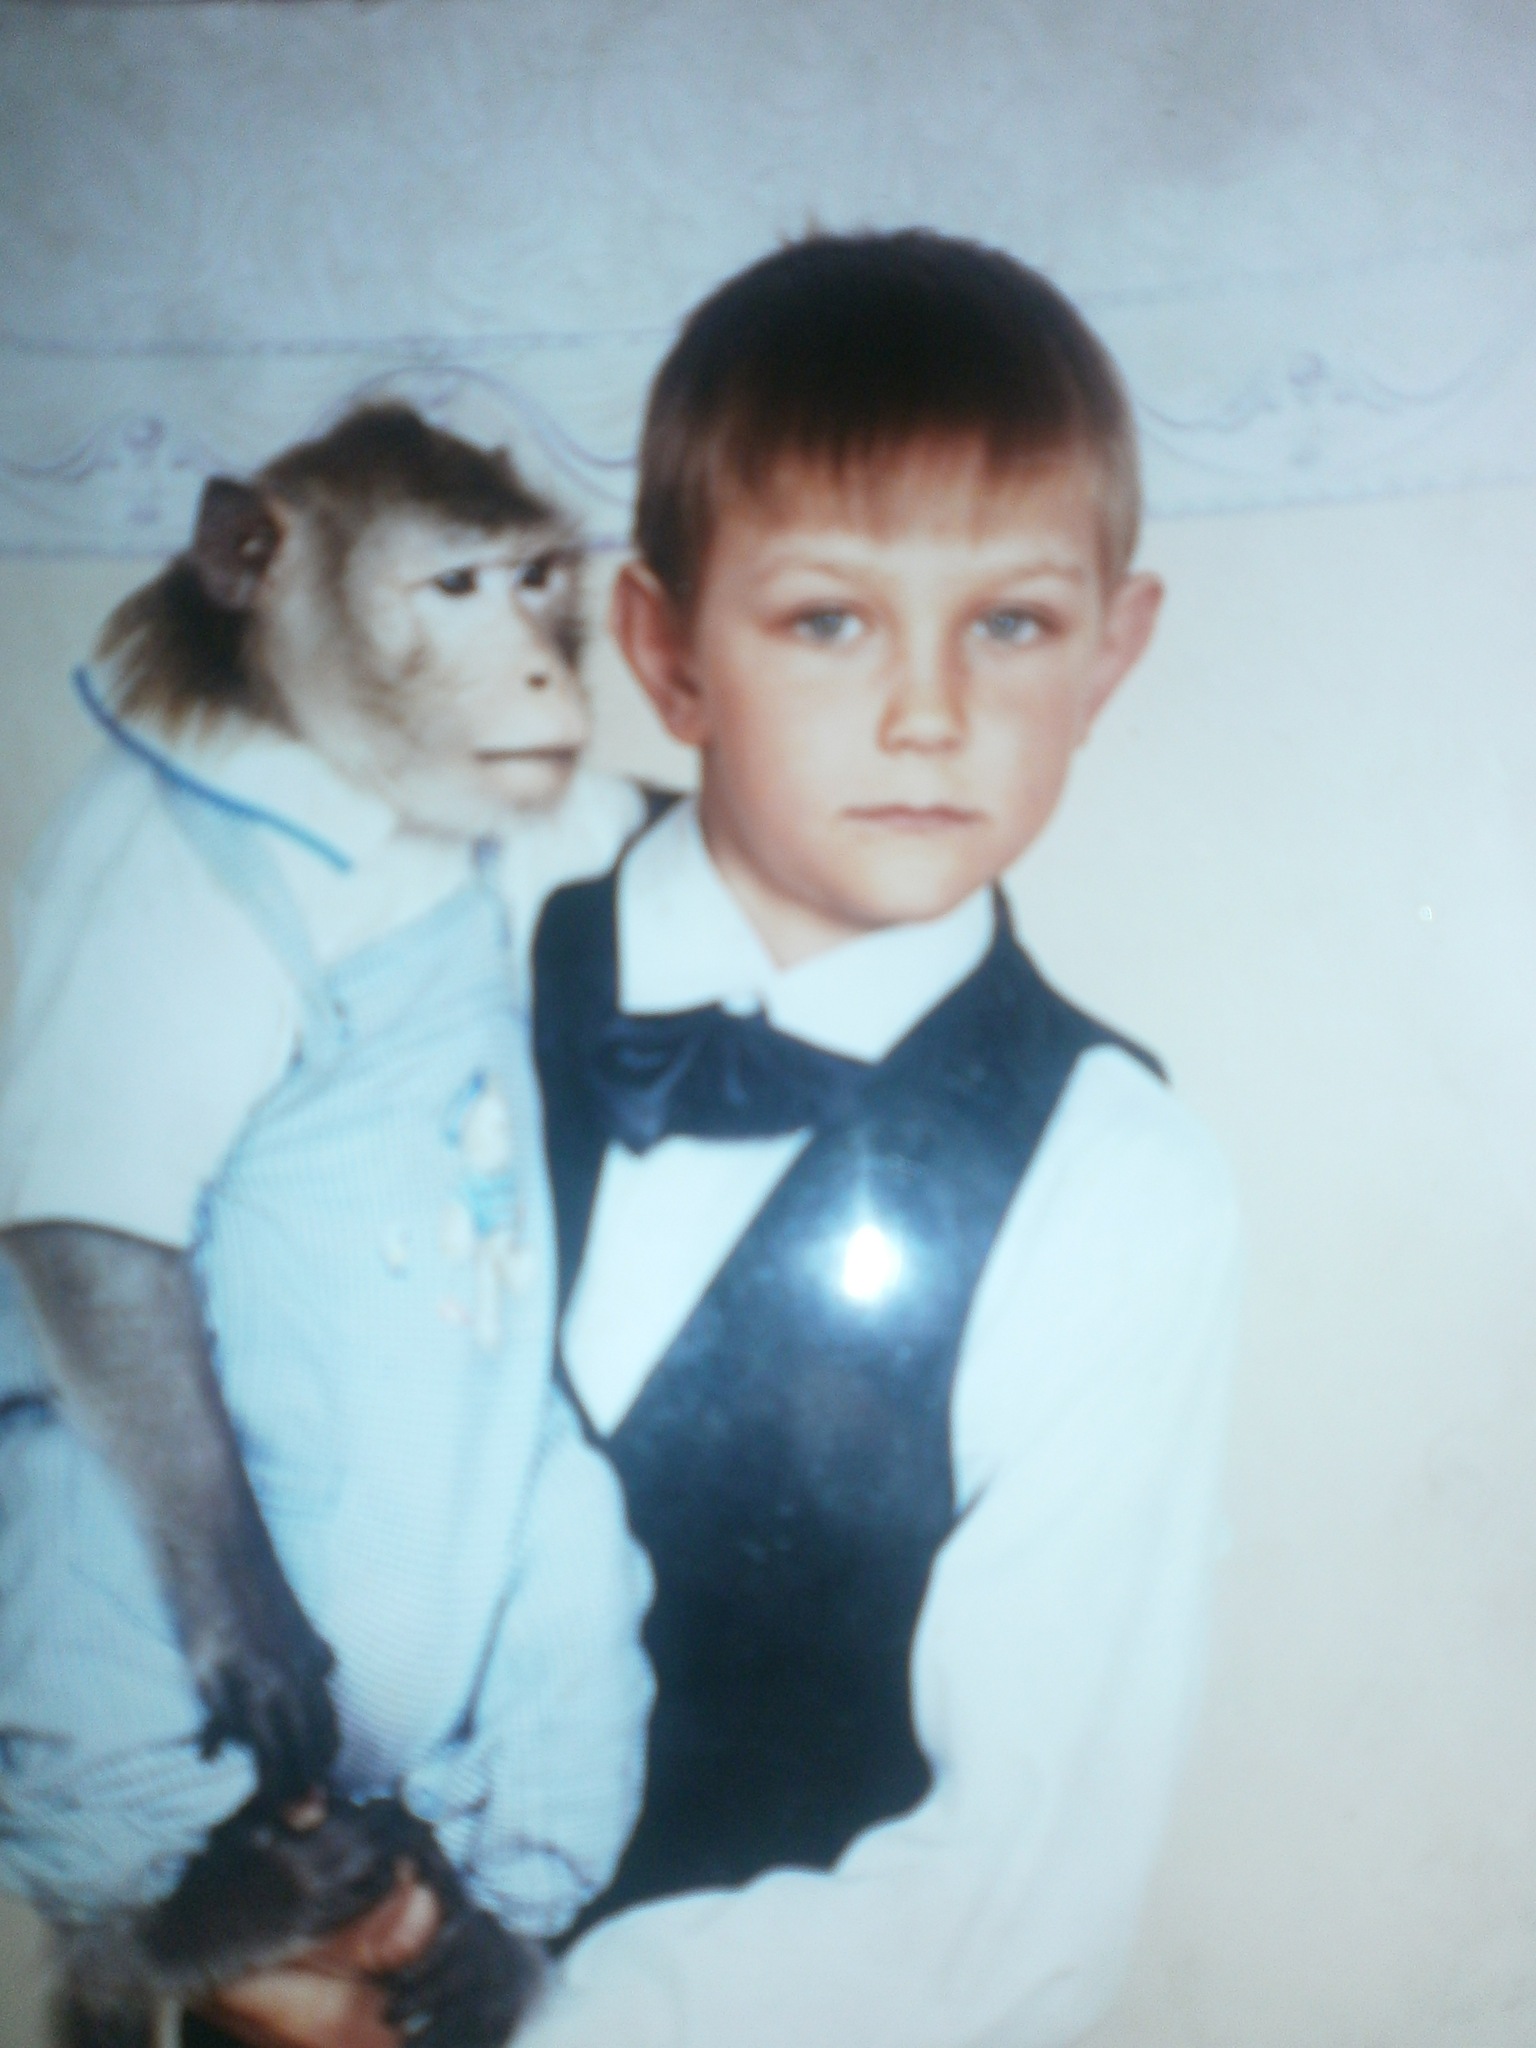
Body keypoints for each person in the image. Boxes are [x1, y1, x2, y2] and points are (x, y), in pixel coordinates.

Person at [205, 228, 1240, 2048]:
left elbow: (1021, 1890)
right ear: (666, 650)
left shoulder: (1118, 1184)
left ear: (1112, 652)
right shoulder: (427, 941)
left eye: (1010, 623)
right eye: (828, 619)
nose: (928, 712)